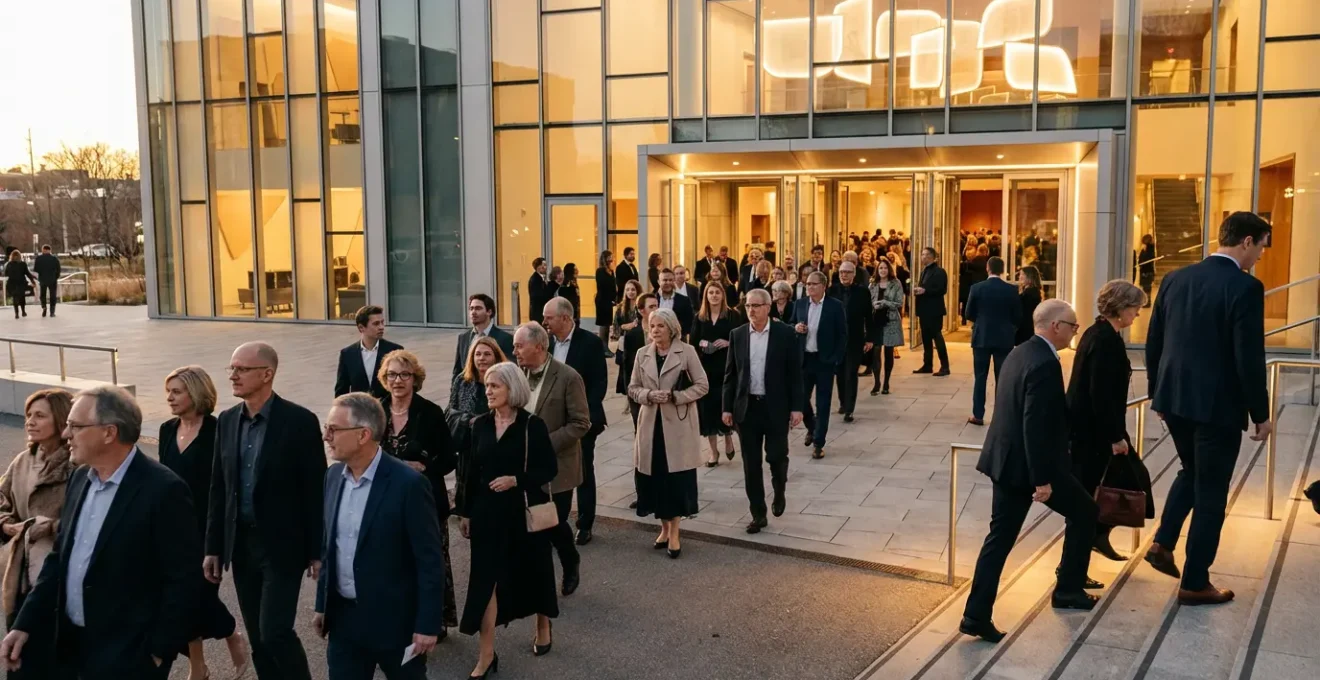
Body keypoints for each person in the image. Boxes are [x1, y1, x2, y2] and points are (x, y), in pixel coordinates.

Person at [0, 386, 199, 678]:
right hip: (73, 648)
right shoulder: (81, 478)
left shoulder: (164, 490)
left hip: (130, 656)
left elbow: (183, 580)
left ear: (109, 433)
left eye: (75, 426)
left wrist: (158, 651)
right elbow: (59, 559)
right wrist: (24, 624)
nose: (66, 434)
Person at [1143, 212, 1272, 606]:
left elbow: (1154, 341)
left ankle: (1163, 543)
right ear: (1246, 241)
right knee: (1212, 492)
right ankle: (1195, 581)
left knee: (1193, 471)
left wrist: (1157, 393)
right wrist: (1261, 413)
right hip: (1217, 406)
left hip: (1174, 399)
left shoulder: (1175, 278)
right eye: (1262, 246)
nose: (1261, 255)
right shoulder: (1245, 287)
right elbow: (1248, 356)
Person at [960, 300, 1097, 644]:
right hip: (1029, 466)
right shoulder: (1045, 363)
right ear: (1055, 326)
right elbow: (1034, 424)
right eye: (1072, 325)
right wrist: (1041, 480)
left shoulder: (1019, 352)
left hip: (1005, 461)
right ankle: (1068, 589)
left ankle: (976, 615)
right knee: (1085, 512)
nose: (1075, 331)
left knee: (999, 539)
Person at [205, 342, 324, 680]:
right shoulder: (227, 420)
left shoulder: (300, 421)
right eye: (232, 368)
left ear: (267, 374)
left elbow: (314, 490)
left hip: (282, 546)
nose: (233, 375)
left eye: (241, 369)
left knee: (275, 632)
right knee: (258, 639)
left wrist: (316, 551)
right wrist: (213, 546)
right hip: (241, 546)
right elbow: (219, 488)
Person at [313, 393, 445, 680]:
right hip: (345, 622)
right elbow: (330, 547)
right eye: (326, 428)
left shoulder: (408, 485)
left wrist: (427, 624)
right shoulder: (333, 477)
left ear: (363, 435)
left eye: (334, 429)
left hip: (395, 625)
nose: (326, 437)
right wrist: (322, 605)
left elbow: (430, 560)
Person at [455, 362, 559, 679]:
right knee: (485, 583)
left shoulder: (532, 426)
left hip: (522, 511)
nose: (488, 391)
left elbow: (549, 469)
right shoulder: (480, 425)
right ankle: (486, 655)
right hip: (487, 514)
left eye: (494, 386)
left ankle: (543, 624)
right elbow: (470, 472)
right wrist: (465, 511)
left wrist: (517, 480)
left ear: (512, 389)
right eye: (487, 385)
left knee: (535, 572)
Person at [159, 368, 250, 680]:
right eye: (168, 391)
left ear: (196, 392)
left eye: (177, 391)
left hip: (207, 529)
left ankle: (231, 634)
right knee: (179, 599)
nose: (170, 398)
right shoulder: (166, 429)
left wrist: (218, 537)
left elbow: (225, 486)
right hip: (171, 530)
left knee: (198, 596)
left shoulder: (217, 430)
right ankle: (198, 665)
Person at [1069, 281, 1153, 564]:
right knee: (1103, 492)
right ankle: (1078, 562)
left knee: (1124, 483)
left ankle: (1096, 538)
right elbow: (1100, 394)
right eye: (1135, 308)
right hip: (1094, 433)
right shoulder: (1104, 340)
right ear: (1120, 308)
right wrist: (1115, 437)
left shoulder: (1101, 333)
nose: (1138, 314)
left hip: (1094, 430)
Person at [377, 350, 459, 637]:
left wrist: (425, 467)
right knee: (394, 560)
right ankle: (400, 616)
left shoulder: (430, 412)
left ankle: (435, 618)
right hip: (386, 501)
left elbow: (449, 459)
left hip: (425, 501)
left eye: (404, 374)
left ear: (415, 378)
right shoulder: (376, 410)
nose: (397, 380)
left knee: (431, 560)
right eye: (392, 375)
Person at [0, 389, 73, 678]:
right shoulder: (23, 461)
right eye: (29, 415)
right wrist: (6, 525)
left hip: (61, 577)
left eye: (40, 415)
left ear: (61, 419)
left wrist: (51, 527)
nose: (30, 421)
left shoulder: (76, 465)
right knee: (21, 658)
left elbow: (90, 518)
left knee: (56, 660)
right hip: (20, 577)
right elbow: (2, 500)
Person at [513, 322, 590, 595]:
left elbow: (581, 423)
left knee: (552, 522)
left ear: (539, 347)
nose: (515, 351)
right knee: (529, 522)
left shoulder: (568, 377)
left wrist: (543, 444)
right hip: (523, 466)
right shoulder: (517, 374)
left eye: (519, 346)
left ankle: (570, 561)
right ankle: (536, 579)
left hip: (557, 467)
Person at [628, 309, 709, 557]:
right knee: (655, 480)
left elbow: (702, 385)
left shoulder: (687, 352)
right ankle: (663, 529)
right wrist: (649, 395)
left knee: (675, 482)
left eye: (660, 326)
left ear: (672, 328)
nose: (655, 330)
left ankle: (674, 533)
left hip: (678, 427)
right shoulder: (642, 353)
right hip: (650, 427)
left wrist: (677, 396)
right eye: (652, 325)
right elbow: (632, 388)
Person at [723, 289, 804, 534]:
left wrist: (797, 407)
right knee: (751, 464)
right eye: (748, 306)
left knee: (776, 456)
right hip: (747, 409)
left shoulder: (785, 334)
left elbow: (795, 374)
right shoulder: (738, 335)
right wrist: (726, 408)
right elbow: (730, 375)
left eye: (756, 306)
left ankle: (779, 490)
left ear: (768, 307)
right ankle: (758, 513)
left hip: (775, 407)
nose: (751, 310)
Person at [543, 297, 608, 547]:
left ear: (565, 318)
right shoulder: (545, 342)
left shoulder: (590, 343)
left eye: (549, 317)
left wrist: (582, 416)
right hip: (551, 421)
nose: (544, 322)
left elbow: (598, 384)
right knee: (550, 471)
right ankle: (551, 522)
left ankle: (584, 524)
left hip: (581, 421)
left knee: (583, 472)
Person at [793, 272, 847, 459]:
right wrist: (795, 328)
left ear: (824, 286)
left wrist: (836, 358)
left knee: (823, 403)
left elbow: (842, 334)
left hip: (824, 361)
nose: (809, 287)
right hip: (804, 359)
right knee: (800, 398)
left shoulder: (835, 306)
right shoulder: (800, 304)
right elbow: (790, 323)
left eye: (813, 284)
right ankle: (812, 426)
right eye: (807, 284)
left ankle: (818, 443)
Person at [965, 256, 1021, 426]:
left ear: (987, 268)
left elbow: (968, 313)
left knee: (980, 377)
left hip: (981, 337)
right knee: (1002, 378)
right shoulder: (1011, 289)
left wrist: (980, 321)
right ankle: (1000, 416)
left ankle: (978, 415)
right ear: (1002, 270)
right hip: (1004, 338)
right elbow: (1018, 316)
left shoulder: (977, 288)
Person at [691, 281, 741, 466]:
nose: (714, 295)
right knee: (707, 410)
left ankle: (728, 438)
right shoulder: (699, 317)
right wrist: (703, 344)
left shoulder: (733, 315)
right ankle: (713, 452)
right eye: (710, 292)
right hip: (706, 369)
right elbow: (693, 341)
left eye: (717, 292)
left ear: (722, 295)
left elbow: (741, 338)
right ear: (706, 295)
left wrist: (728, 343)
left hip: (726, 367)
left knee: (725, 404)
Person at [828, 261, 873, 423]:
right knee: (840, 373)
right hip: (836, 340)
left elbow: (869, 315)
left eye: (847, 272)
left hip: (855, 338)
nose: (844, 275)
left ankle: (849, 409)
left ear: (854, 274)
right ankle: (842, 402)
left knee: (851, 373)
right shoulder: (832, 290)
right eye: (841, 272)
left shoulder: (862, 291)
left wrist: (870, 338)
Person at [449, 336, 506, 456]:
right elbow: (451, 411)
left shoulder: (505, 381)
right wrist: (467, 420)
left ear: (496, 357)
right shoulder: (462, 380)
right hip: (466, 445)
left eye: (487, 354)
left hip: (494, 445)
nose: (482, 358)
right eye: (478, 354)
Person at [335, 305, 404, 399]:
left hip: (387, 407)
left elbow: (403, 385)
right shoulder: (347, 354)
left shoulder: (395, 350)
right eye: (376, 324)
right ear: (361, 328)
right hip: (359, 407)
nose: (381, 327)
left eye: (382, 322)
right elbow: (341, 392)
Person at [452, 294, 515, 381]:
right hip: (468, 388)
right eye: (471, 308)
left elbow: (510, 371)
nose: (473, 312)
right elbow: (457, 371)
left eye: (478, 308)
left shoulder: (505, 339)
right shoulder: (463, 338)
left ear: (489, 312)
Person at [620, 293, 658, 429]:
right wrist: (630, 392)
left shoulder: (666, 331)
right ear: (642, 310)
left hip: (660, 389)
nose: (656, 309)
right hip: (640, 389)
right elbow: (627, 366)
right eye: (651, 307)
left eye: (657, 306)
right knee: (641, 428)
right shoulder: (632, 335)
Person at [868, 258, 904, 395]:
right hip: (875, 320)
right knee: (876, 351)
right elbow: (867, 301)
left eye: (885, 268)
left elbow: (899, 302)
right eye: (880, 268)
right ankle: (877, 382)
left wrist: (884, 303)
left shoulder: (896, 283)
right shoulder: (872, 284)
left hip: (890, 320)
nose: (883, 270)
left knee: (889, 351)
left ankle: (886, 382)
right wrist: (873, 305)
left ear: (889, 270)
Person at [913, 247, 951, 376]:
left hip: (934, 310)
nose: (923, 257)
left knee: (937, 336)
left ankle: (945, 366)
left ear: (931, 257)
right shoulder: (924, 271)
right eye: (922, 254)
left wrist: (925, 291)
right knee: (926, 338)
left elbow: (942, 289)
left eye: (925, 254)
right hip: (924, 310)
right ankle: (927, 365)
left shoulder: (939, 272)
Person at [613, 280, 643, 407]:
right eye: (628, 290)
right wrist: (628, 326)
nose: (630, 292)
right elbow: (616, 328)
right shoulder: (620, 308)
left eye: (633, 289)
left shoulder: (641, 306)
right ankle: (629, 398)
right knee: (626, 370)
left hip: (639, 343)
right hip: (624, 343)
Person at [654, 268, 696, 339]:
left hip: (678, 339)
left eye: (671, 280)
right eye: (665, 280)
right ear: (659, 282)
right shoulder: (652, 299)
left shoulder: (684, 300)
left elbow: (689, 323)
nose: (668, 283)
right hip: (656, 339)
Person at [594, 250, 617, 358]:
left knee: (608, 324)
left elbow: (613, 285)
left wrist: (614, 298)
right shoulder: (600, 271)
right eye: (610, 257)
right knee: (603, 324)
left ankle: (606, 347)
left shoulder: (611, 271)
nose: (611, 259)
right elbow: (602, 286)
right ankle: (603, 348)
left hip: (609, 301)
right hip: (602, 300)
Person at [1015, 266, 1043, 346]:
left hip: (1026, 328)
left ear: (1029, 276)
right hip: (1026, 327)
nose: (1020, 277)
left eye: (1022, 274)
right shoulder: (1029, 291)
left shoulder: (1031, 293)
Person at [4, 251, 36, 319]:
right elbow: (27, 273)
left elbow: (6, 273)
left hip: (12, 283)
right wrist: (32, 281)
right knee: (22, 297)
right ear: (19, 256)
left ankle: (16, 313)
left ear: (11, 256)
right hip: (21, 283)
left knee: (15, 298)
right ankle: (23, 311)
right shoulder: (22, 264)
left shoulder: (9, 264)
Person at [32, 246, 60, 318]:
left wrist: (39, 277)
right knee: (53, 295)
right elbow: (58, 269)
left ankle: (44, 307)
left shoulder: (39, 259)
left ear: (43, 250)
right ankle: (52, 312)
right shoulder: (54, 259)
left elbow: (36, 270)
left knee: (43, 294)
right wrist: (56, 277)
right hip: (52, 279)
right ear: (50, 250)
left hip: (43, 279)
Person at [1137, 234, 1157, 305]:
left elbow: (1145, 259)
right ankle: (1147, 301)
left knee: (1146, 287)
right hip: (1147, 270)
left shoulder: (1149, 248)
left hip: (1146, 271)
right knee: (1146, 287)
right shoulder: (1148, 248)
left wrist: (1143, 251)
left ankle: (1147, 302)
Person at [529, 257, 549, 325]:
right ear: (539, 267)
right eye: (544, 265)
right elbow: (539, 296)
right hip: (538, 314)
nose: (546, 267)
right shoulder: (535, 280)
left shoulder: (541, 278)